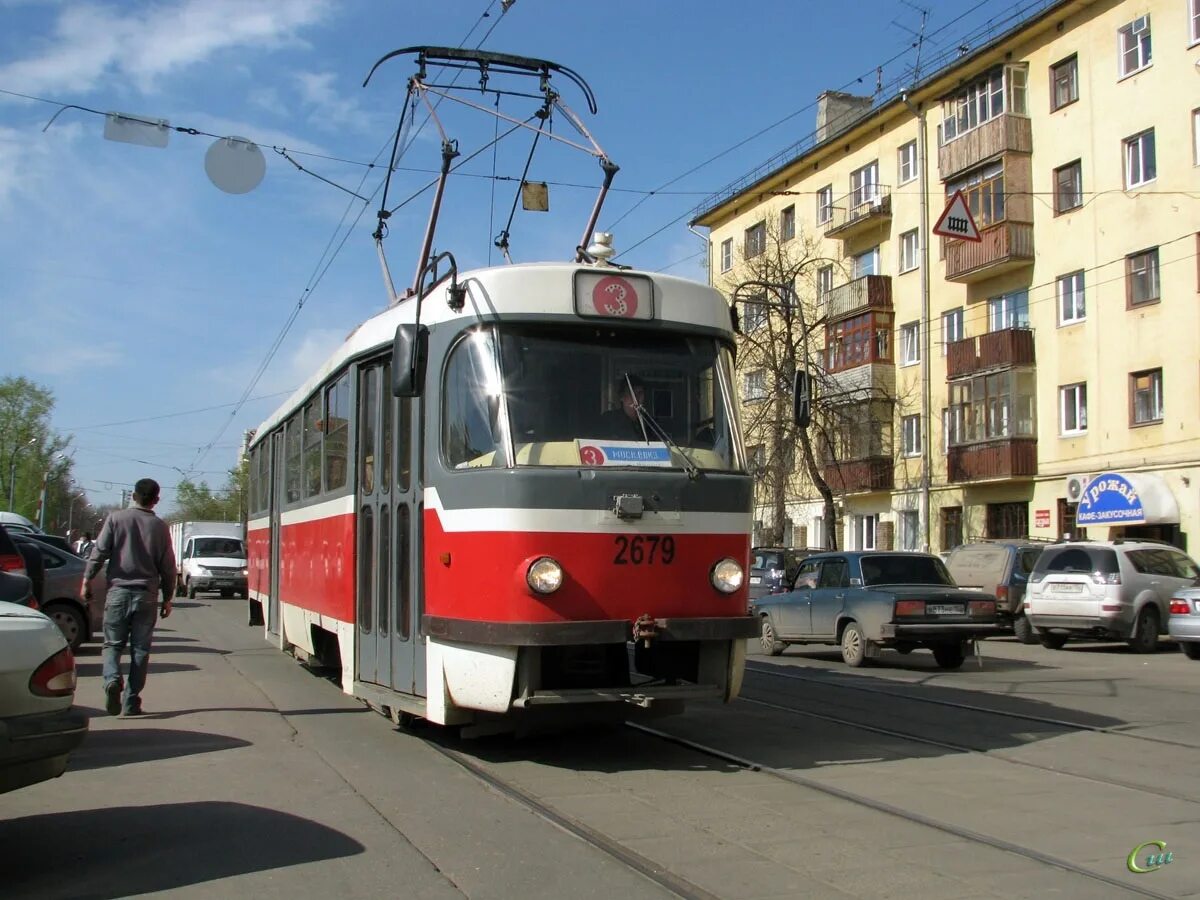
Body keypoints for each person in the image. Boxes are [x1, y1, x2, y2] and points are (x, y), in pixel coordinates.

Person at [84, 478, 177, 717]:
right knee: (140, 650)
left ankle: (112, 680)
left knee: (112, 645)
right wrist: (168, 598)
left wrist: (87, 579)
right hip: (147, 595)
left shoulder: (116, 519)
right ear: (156, 500)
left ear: (133, 496)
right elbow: (168, 567)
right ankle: (131, 702)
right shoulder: (159, 527)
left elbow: (100, 552)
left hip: (118, 592)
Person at [597, 375, 650, 441]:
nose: (636, 398)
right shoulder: (609, 420)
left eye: (640, 393)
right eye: (631, 394)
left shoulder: (649, 423)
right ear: (622, 397)